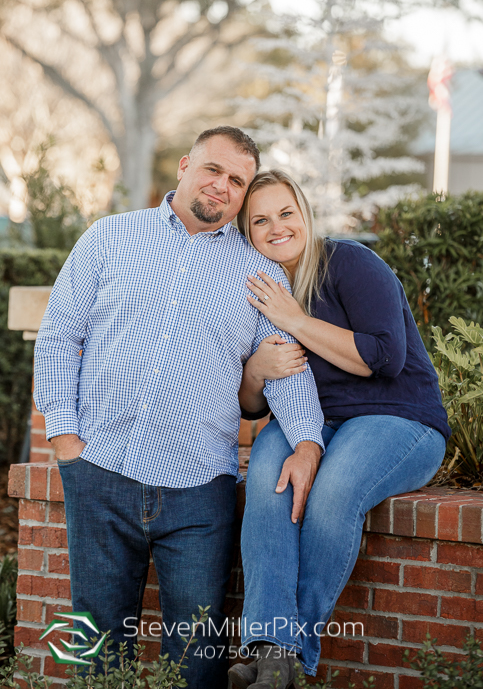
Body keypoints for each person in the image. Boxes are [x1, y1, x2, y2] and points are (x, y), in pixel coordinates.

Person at [33, 130, 324, 689]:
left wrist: (308, 441)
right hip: (100, 473)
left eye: (237, 181)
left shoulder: (259, 275)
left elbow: (285, 367)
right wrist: (65, 441)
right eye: (213, 170)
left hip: (199, 493)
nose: (222, 186)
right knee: (95, 648)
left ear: (242, 196)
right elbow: (57, 337)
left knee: (196, 659)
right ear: (186, 165)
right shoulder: (109, 238)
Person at [228, 170, 450, 689]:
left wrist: (296, 318)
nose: (276, 227)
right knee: (267, 478)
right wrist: (257, 369)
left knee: (334, 491)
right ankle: (268, 646)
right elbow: (254, 406)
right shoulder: (256, 284)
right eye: (260, 220)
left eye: (286, 213)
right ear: (246, 231)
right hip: (312, 421)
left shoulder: (348, 261)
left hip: (398, 418)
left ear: (304, 214)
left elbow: (384, 358)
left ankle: (290, 652)